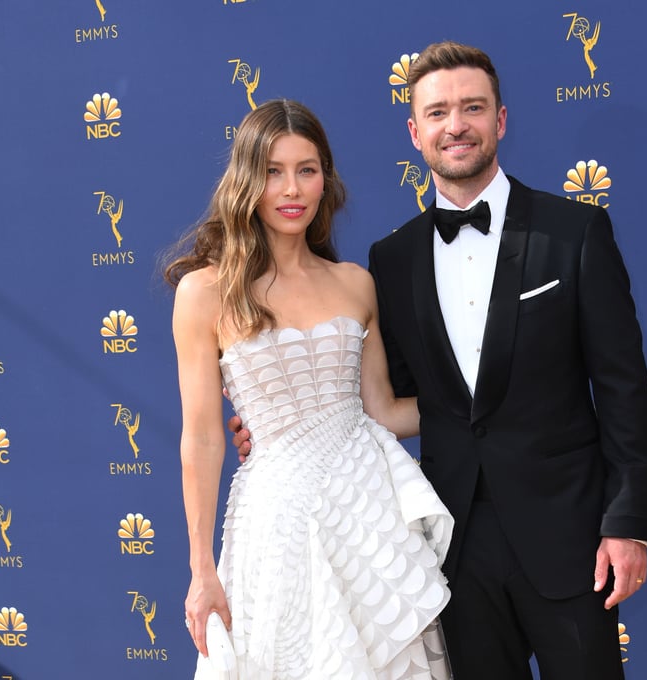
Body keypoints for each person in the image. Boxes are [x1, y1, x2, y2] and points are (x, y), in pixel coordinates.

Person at [234, 41, 647, 679]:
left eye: (472, 107)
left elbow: (624, 390)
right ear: (415, 132)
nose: (455, 125)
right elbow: (389, 399)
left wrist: (626, 522)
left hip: (569, 536)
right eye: (437, 113)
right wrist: (282, 425)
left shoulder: (574, 233)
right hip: (451, 547)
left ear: (500, 121)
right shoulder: (392, 259)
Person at [164, 98, 454, 679]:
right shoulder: (205, 292)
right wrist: (202, 570)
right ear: (247, 180)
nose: (291, 188)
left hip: (368, 518)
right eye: (273, 171)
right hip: (276, 524)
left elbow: (385, 412)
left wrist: (482, 400)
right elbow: (200, 439)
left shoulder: (356, 284)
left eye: (307, 169)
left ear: (327, 180)